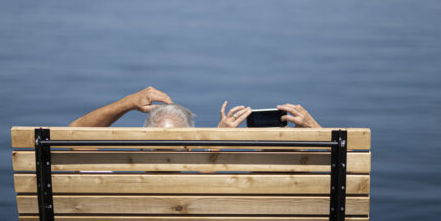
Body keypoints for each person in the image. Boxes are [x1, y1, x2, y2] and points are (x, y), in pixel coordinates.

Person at [69, 86, 321, 128]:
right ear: (189, 148)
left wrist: (127, 103)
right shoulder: (209, 190)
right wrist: (314, 128)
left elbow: (74, 132)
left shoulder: (114, 187)